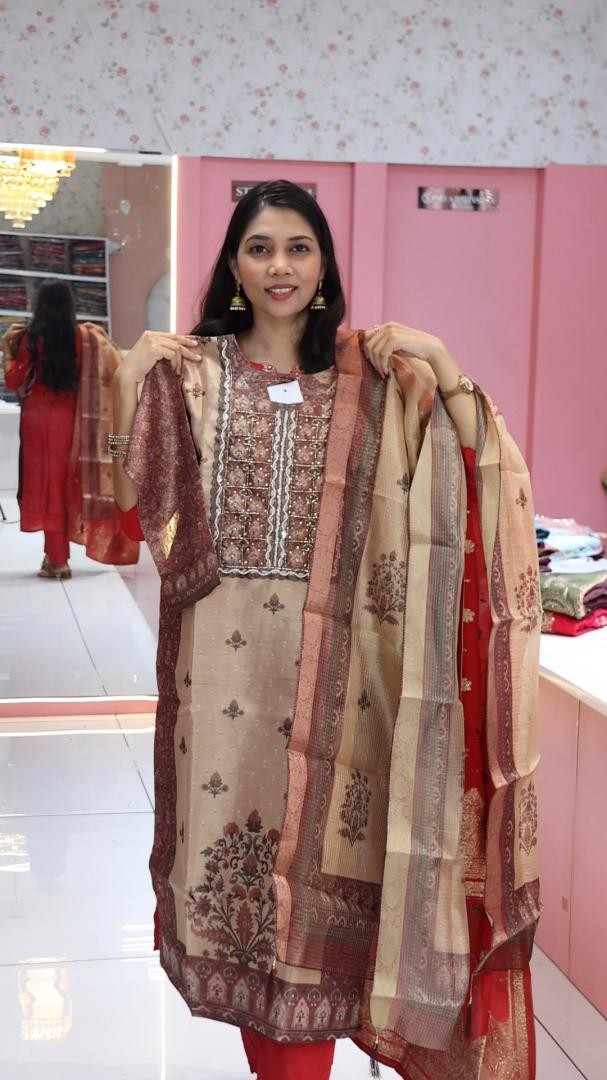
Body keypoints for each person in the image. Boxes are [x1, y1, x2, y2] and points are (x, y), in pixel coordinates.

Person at [112, 181, 541, 1080]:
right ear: (233, 267)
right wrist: (127, 376)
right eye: (260, 248)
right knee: (242, 907)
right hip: (222, 690)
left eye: (298, 247)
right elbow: (128, 505)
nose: (280, 266)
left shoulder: (371, 375)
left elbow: (475, 452)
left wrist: (443, 363)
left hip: (352, 687)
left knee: (340, 901)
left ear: (323, 265)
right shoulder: (190, 371)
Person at [2, 280, 138, 577]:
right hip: (71, 422)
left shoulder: (30, 339)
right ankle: (54, 554)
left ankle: (58, 560)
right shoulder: (85, 338)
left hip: (37, 421)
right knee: (64, 485)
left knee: (47, 487)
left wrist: (6, 350)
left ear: (39, 305)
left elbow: (13, 381)